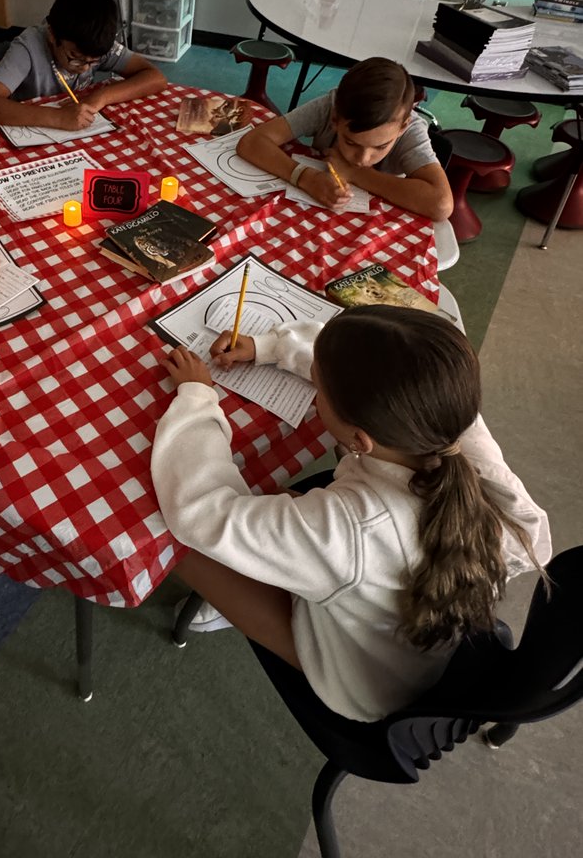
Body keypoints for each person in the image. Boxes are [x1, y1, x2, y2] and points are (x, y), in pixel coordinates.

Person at [151, 306, 551, 722]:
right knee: (271, 505)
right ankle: (276, 568)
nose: (317, 394)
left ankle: (251, 589)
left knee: (174, 538)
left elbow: (198, 511)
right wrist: (268, 347)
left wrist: (197, 398)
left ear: (359, 439)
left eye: (320, 393)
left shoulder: (349, 528)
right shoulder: (452, 423)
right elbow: (373, 369)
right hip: (414, 632)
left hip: (367, 683)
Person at [236, 56, 453, 221]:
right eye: (350, 142)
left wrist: (355, 173)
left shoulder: (410, 129)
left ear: (402, 128)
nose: (363, 157)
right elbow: (252, 142)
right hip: (315, 214)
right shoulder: (331, 106)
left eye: (380, 147)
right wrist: (305, 177)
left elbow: (441, 204)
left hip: (379, 226)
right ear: (335, 120)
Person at [0, 0, 167, 130]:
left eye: (94, 62)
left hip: (71, 137)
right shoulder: (29, 47)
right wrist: (58, 118)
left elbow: (155, 77)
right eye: (75, 57)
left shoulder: (94, 44)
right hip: (30, 133)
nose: (84, 67)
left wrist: (101, 97)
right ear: (53, 33)